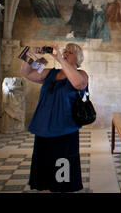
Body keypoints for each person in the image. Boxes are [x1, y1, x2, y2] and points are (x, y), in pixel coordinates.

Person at [21, 43, 89, 192]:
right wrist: (32, 54)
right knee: (44, 171)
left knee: (62, 173)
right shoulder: (49, 73)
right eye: (65, 51)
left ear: (78, 59)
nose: (65, 53)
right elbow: (27, 72)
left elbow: (77, 83)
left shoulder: (81, 74)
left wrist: (59, 59)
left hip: (65, 131)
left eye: (70, 52)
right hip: (43, 128)